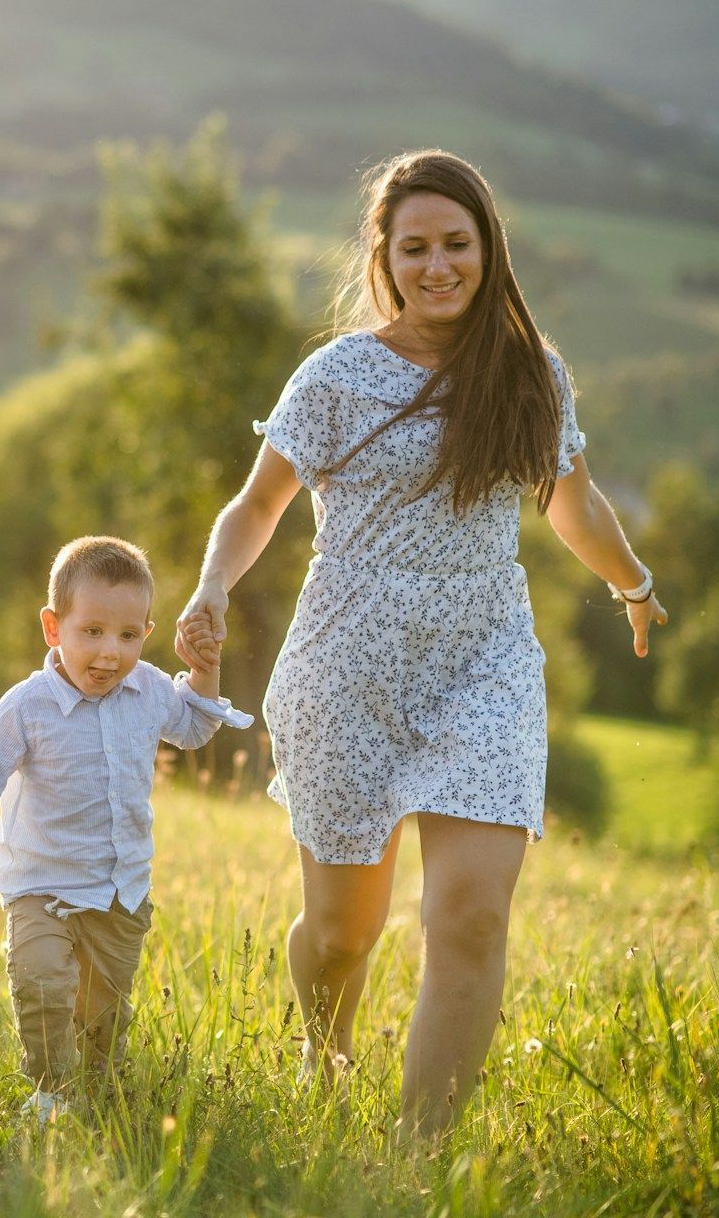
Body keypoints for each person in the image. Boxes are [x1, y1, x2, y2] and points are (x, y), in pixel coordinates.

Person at [176, 149, 667, 1136]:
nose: (439, 265)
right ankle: (323, 1048)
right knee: (340, 932)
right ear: (385, 258)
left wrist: (633, 581)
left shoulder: (531, 373)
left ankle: (417, 1164)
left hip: (484, 662)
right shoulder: (338, 375)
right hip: (346, 669)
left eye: (457, 243)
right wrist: (211, 586)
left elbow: (572, 501)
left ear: (488, 247)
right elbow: (258, 501)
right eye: (417, 248)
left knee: (473, 916)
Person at [0, 536, 252, 1122]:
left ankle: (95, 1096)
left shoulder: (150, 689)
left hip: (118, 888)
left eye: (128, 636)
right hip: (41, 884)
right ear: (53, 628)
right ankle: (49, 1094)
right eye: (93, 632)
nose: (111, 653)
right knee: (40, 983)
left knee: (102, 1017)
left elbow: (194, 729)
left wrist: (204, 671)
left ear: (146, 634)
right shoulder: (25, 706)